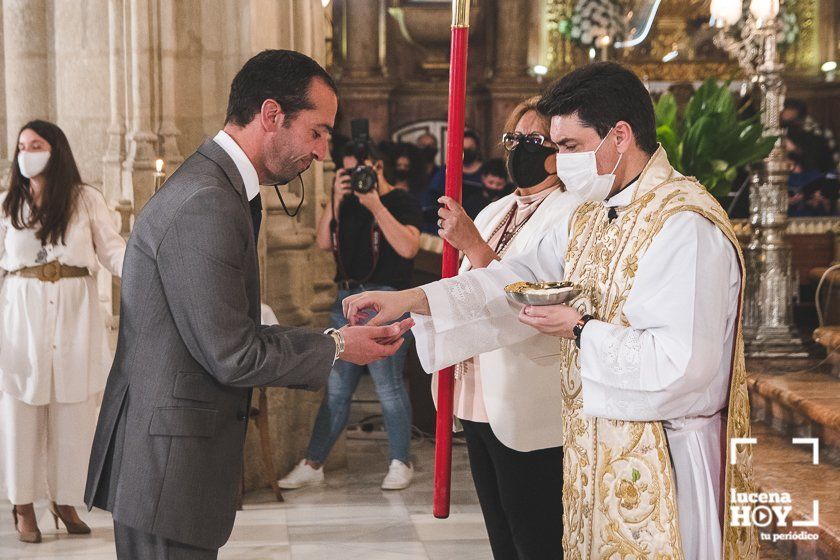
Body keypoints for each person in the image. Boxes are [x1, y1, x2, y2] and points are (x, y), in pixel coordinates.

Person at [344, 62, 759, 559]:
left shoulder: (684, 225)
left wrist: (581, 329)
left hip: (662, 455)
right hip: (599, 441)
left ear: (620, 136)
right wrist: (411, 299)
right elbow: (511, 280)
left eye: (569, 148)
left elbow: (685, 366)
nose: (559, 164)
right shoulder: (593, 214)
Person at [84, 50, 413, 560]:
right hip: (168, 465)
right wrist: (339, 346)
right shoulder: (207, 201)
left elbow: (231, 332)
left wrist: (338, 343)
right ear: (272, 114)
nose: (323, 151)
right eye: (318, 131)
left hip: (168, 461)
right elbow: (232, 353)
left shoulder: (217, 187)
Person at [431, 96, 579, 559]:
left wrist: (472, 244)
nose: (519, 149)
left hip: (525, 392)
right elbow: (464, 289)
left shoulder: (573, 212)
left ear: (560, 148)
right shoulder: (496, 210)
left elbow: (533, 294)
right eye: (514, 138)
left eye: (533, 140)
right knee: (499, 533)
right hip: (475, 390)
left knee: (533, 533)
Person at [0, 120, 125, 544]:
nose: (26, 152)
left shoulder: (84, 199)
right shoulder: (7, 203)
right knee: (21, 412)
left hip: (74, 314)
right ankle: (23, 504)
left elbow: (112, 249)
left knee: (73, 413)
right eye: (21, 146)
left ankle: (65, 499)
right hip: (23, 319)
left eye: (36, 144)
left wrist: (150, 264)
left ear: (56, 150)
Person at [279, 134, 422, 491]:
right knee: (337, 387)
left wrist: (375, 205)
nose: (356, 181)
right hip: (345, 300)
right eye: (347, 175)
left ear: (377, 168)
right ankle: (314, 464)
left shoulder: (399, 200)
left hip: (386, 300)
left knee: (387, 384)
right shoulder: (346, 202)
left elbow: (407, 248)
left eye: (360, 173)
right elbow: (324, 242)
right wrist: (336, 200)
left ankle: (400, 462)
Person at [422, 130, 484, 232]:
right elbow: (433, 197)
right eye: (464, 148)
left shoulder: (485, 172)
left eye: (470, 148)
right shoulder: (446, 171)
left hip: (478, 224)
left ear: (477, 149)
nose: (467, 151)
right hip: (450, 224)